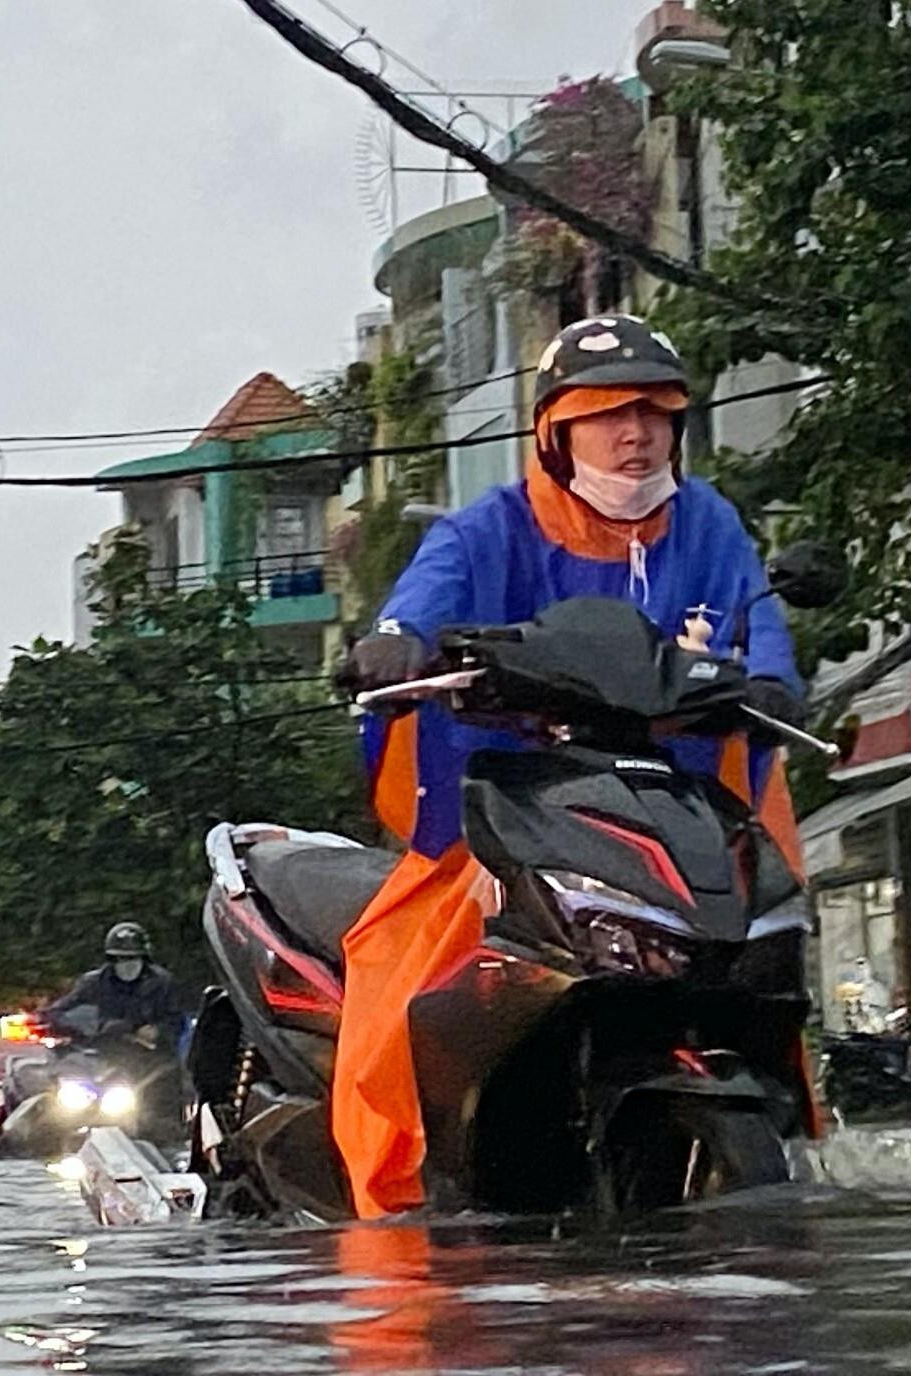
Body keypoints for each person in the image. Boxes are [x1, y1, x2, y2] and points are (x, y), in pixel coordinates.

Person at [330, 312, 806, 1217]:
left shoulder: (710, 525)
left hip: (675, 802)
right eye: (606, 414)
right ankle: (393, 1201)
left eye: (656, 413)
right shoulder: (486, 529)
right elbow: (420, 603)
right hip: (513, 808)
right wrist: (394, 642)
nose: (634, 435)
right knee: (398, 981)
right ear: (556, 433)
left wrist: (777, 686)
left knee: (769, 933)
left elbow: (760, 628)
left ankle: (792, 1119)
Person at [39, 922, 184, 1046]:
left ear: (144, 958)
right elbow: (57, 1012)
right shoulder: (92, 982)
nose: (127, 964)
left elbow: (177, 1021)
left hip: (150, 1058)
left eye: (133, 958)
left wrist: (157, 1031)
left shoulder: (163, 982)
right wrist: (77, 1030)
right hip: (99, 1056)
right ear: (111, 959)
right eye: (120, 958)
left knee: (167, 1075)